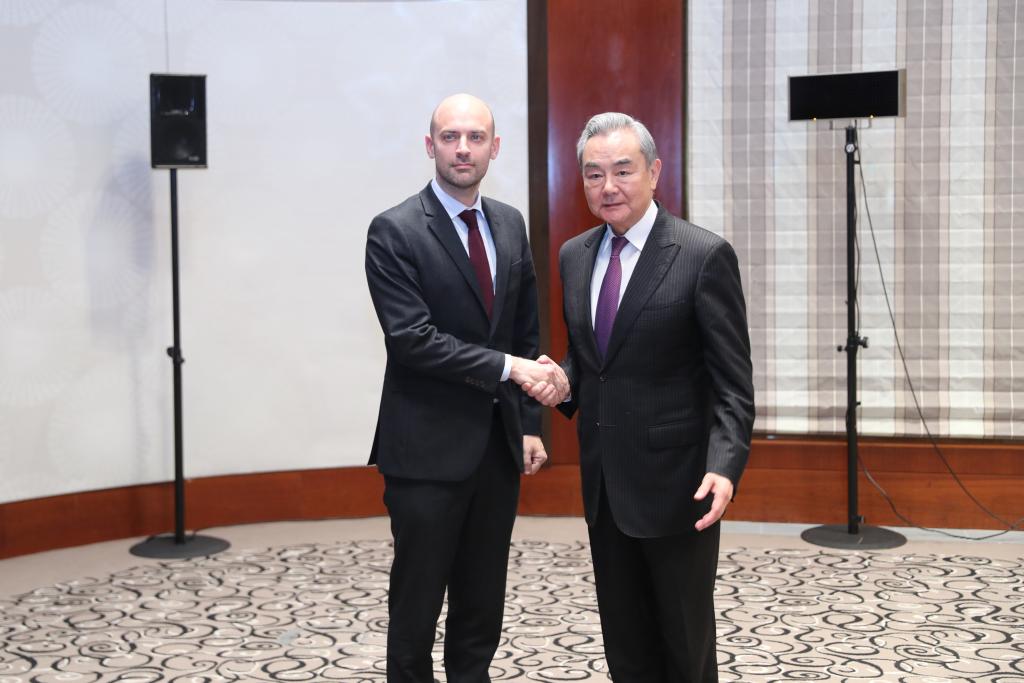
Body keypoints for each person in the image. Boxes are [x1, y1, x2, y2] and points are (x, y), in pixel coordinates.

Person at [528, 112, 755, 682]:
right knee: (625, 649)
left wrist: (725, 466)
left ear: (654, 173)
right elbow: (593, 360)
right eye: (594, 174)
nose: (608, 186)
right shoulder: (575, 254)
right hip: (606, 487)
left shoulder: (702, 255)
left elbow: (732, 382)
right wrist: (563, 382)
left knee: (684, 647)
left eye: (623, 170)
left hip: (679, 487)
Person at [364, 93, 568, 683]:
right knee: (417, 604)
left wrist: (529, 426)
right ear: (430, 146)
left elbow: (525, 331)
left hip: (497, 450)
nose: (462, 148)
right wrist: (509, 368)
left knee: (482, 602)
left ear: (494, 148)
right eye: (450, 137)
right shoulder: (395, 230)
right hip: (424, 453)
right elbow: (413, 340)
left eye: (475, 137)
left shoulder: (509, 223)